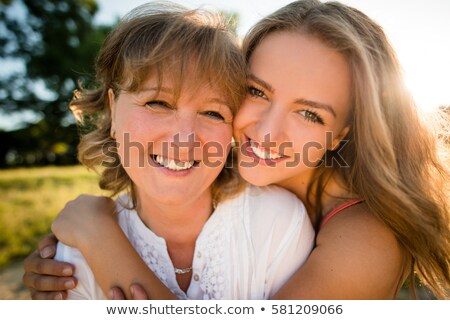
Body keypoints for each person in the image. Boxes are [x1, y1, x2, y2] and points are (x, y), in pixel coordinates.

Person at [23, 0, 450, 299]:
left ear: (341, 136)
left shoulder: (365, 240)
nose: (265, 132)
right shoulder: (227, 161)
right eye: (256, 92)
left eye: (310, 115)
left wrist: (98, 236)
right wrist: (68, 260)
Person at [21, 2, 316, 300]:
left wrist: (97, 234)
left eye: (213, 113)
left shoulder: (277, 222)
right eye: (158, 103)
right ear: (112, 110)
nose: (184, 140)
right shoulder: (72, 260)